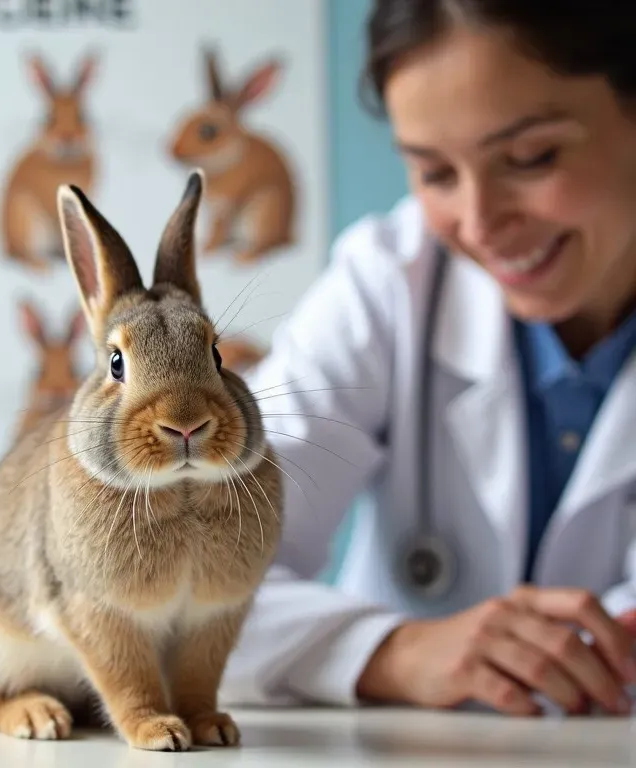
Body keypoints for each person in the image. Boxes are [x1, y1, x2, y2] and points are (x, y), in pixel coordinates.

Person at [218, 0, 636, 717]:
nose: (479, 224)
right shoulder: (388, 285)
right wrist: (395, 652)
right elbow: (176, 579)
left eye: (533, 158)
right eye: (436, 172)